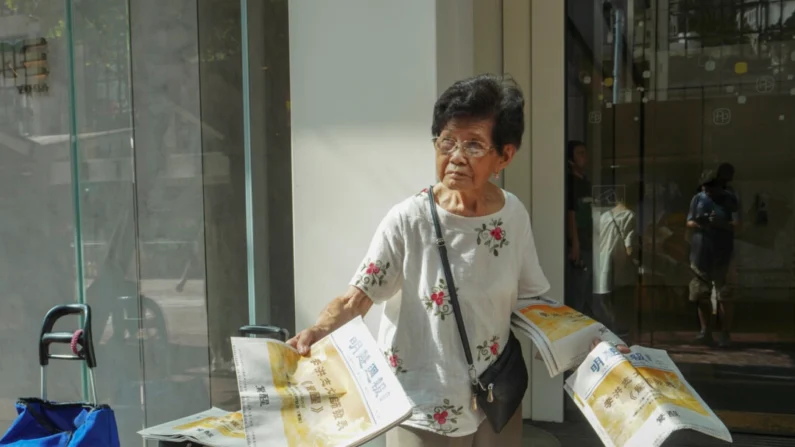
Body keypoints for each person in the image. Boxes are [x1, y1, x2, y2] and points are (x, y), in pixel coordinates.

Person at [287, 75, 621, 447]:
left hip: (494, 398)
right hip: (420, 405)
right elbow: (357, 297)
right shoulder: (409, 218)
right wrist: (317, 332)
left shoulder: (513, 215)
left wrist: (591, 343)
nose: (456, 157)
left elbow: (532, 300)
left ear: (505, 155)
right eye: (447, 141)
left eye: (474, 145)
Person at [687, 169, 736, 348]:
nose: (707, 192)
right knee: (701, 293)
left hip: (723, 253)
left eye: (710, 189)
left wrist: (719, 224)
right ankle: (705, 331)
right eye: (704, 188)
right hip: (701, 252)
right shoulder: (698, 199)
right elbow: (689, 221)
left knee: (724, 294)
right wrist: (701, 222)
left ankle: (725, 333)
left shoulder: (730, 199)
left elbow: (738, 225)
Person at [593, 184, 639, 338]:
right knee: (621, 312)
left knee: (606, 310)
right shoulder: (629, 216)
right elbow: (629, 247)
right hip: (619, 271)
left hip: (601, 267)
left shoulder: (604, 216)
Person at [565, 140, 595, 316]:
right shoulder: (571, 183)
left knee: (588, 293)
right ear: (571, 160)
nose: (585, 157)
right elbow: (571, 213)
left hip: (589, 243)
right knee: (577, 294)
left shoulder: (586, 183)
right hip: (579, 246)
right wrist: (575, 244)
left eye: (585, 153)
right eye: (580, 154)